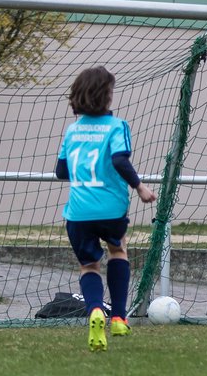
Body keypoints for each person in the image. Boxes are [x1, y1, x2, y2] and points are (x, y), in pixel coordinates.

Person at [55, 66, 157, 352]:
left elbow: (61, 171)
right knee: (118, 250)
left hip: (78, 212)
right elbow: (120, 161)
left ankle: (96, 310)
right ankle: (119, 317)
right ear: (107, 96)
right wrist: (139, 186)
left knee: (89, 265)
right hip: (111, 208)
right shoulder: (117, 126)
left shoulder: (72, 130)